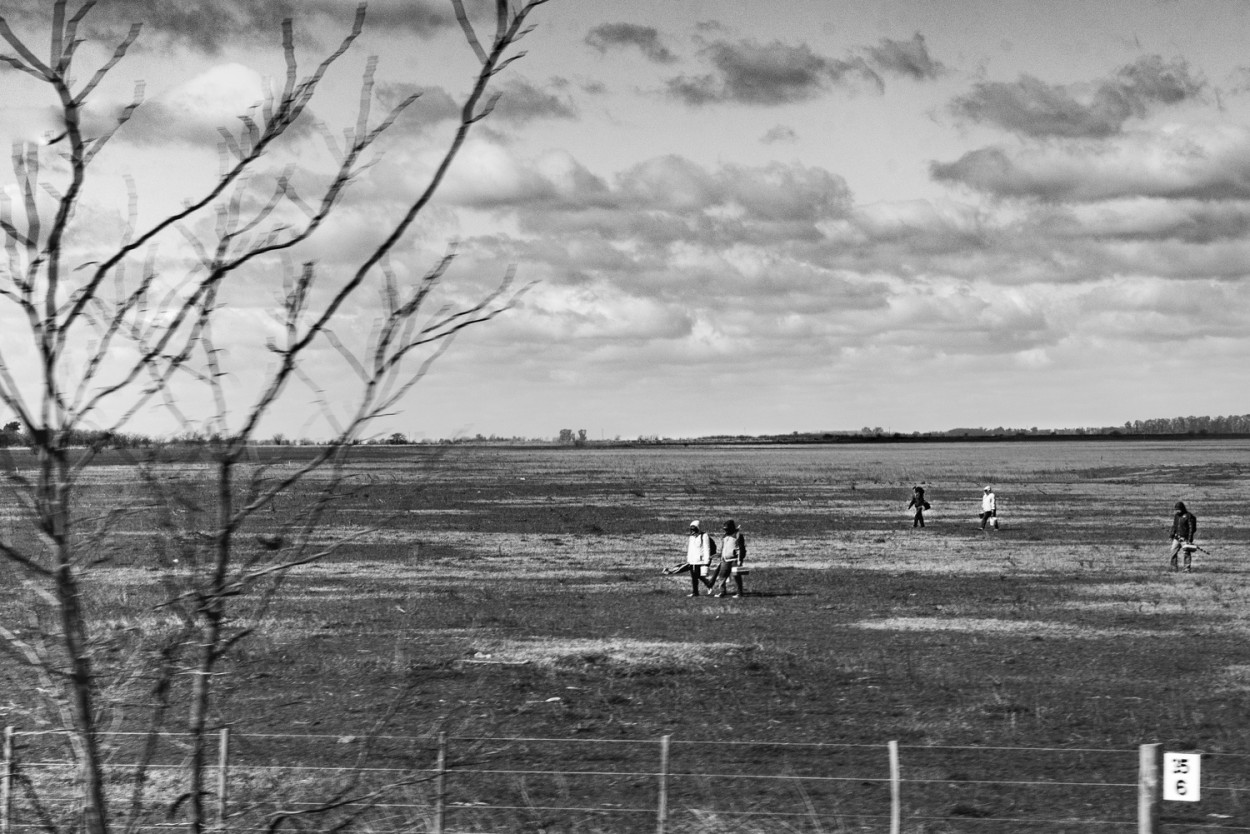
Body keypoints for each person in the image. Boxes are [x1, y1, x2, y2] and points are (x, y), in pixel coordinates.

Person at [710, 519, 747, 598]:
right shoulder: (725, 536)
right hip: (725, 560)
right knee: (722, 576)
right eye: (725, 529)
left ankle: (739, 593)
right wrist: (721, 556)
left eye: (727, 529)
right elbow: (723, 548)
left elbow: (741, 548)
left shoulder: (738, 535)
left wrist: (740, 560)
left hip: (734, 560)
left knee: (736, 577)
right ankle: (722, 592)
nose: (726, 531)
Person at [1168, 501, 1199, 573]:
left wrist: (1189, 539)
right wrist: (1171, 535)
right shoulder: (1176, 516)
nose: (1177, 511)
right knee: (1173, 551)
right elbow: (1174, 526)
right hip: (1177, 538)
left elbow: (1191, 528)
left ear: (1182, 508)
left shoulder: (1188, 516)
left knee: (1186, 553)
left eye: (1178, 509)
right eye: (1176, 510)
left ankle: (1187, 569)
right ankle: (1173, 568)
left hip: (1185, 539)